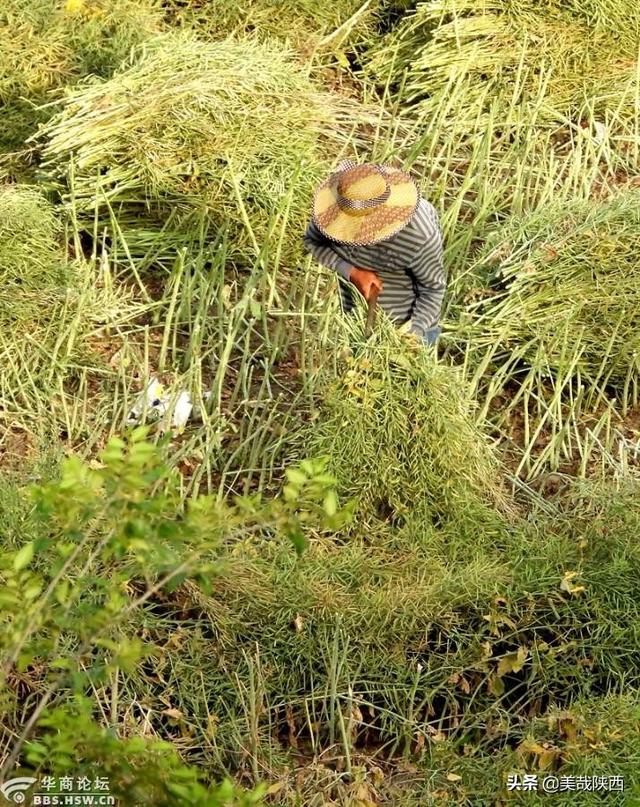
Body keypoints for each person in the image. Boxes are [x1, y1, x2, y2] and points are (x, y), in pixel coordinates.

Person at [302, 159, 446, 346]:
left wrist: (412, 337)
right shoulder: (331, 216)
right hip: (354, 317)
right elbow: (312, 242)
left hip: (408, 323)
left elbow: (433, 289)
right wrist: (352, 272)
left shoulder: (419, 236)